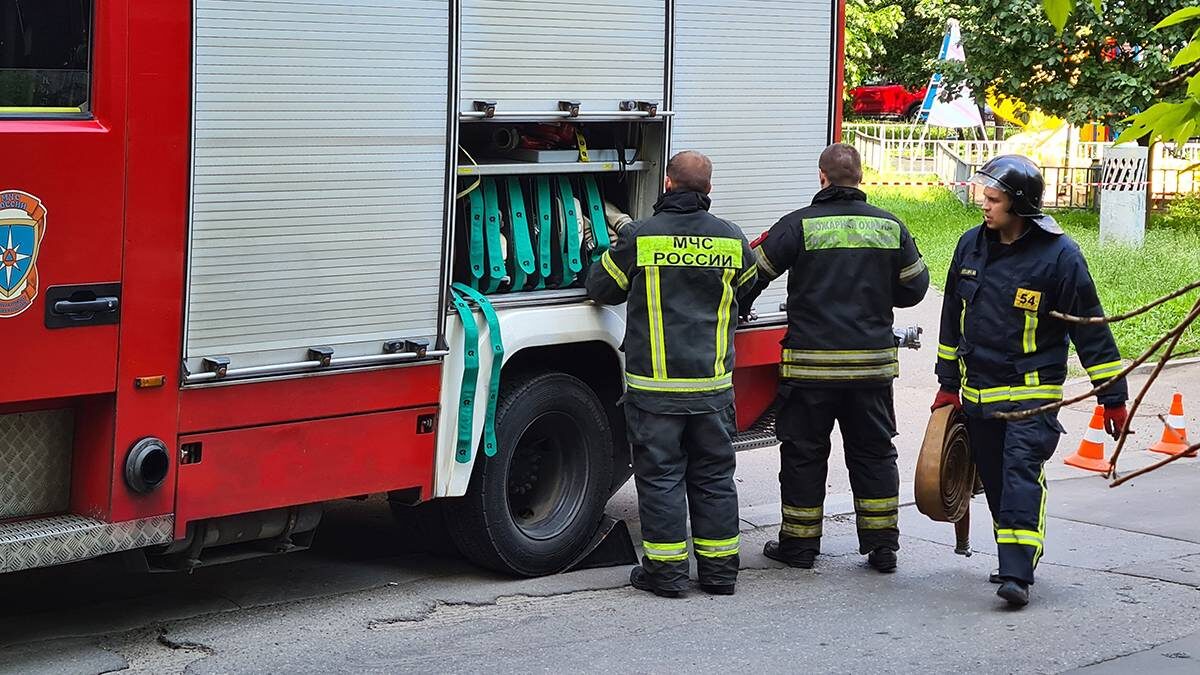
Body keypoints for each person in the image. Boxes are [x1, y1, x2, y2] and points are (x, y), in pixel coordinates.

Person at [930, 154, 1128, 607]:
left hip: (1032, 394)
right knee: (997, 482)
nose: (984, 204)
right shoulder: (969, 246)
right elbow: (950, 321)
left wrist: (1112, 397)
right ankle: (1011, 553)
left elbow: (1089, 326)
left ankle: (1017, 574)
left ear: (1019, 205)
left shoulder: (1059, 256)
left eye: (994, 199)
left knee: (1020, 473)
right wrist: (946, 384)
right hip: (978, 394)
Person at [743, 143, 930, 573]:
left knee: (804, 456)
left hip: (810, 371)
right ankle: (882, 546)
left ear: (822, 177)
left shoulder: (798, 226)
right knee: (874, 454)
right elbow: (915, 289)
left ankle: (800, 547)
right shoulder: (890, 227)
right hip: (870, 371)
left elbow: (753, 275)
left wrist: (738, 308)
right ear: (860, 178)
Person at [586, 150, 758, 598]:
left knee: (661, 478)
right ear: (709, 190)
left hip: (655, 393)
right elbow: (748, 286)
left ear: (666, 184)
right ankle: (720, 574)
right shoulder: (731, 239)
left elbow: (600, 289)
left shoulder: (642, 237)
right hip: (713, 391)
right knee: (714, 478)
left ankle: (667, 575)